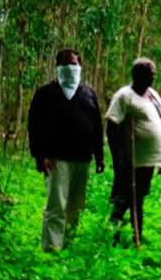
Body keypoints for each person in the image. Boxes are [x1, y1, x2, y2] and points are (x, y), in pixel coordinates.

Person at [27, 48, 104, 252]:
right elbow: (34, 126)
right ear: (58, 67)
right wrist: (40, 155)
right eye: (66, 64)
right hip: (56, 159)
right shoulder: (45, 94)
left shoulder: (88, 93)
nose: (71, 68)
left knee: (76, 206)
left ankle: (68, 245)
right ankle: (52, 249)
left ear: (80, 67)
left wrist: (100, 156)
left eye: (75, 64)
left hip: (83, 159)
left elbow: (97, 126)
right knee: (56, 205)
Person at [106, 58, 161, 244]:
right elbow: (111, 126)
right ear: (137, 75)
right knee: (123, 200)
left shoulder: (153, 95)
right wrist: (119, 158)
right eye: (150, 74)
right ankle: (112, 237)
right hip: (131, 160)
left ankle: (136, 236)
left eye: (154, 74)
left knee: (138, 199)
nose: (153, 77)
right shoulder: (124, 96)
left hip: (147, 161)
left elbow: (159, 120)